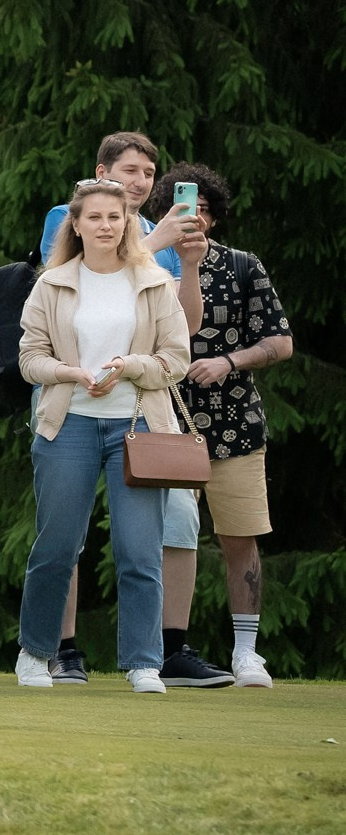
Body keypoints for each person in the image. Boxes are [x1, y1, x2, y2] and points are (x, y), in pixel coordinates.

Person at [33, 130, 206, 681]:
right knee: (59, 545)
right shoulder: (62, 242)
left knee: (142, 550)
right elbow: (34, 349)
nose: (141, 182)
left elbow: (179, 343)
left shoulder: (158, 252)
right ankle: (49, 652)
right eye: (130, 171)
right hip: (68, 415)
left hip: (139, 419)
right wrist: (71, 372)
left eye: (149, 174)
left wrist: (186, 266)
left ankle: (147, 662)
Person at [149, 165, 294, 688]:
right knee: (171, 537)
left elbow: (280, 341)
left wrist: (228, 361)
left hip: (235, 424)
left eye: (205, 210)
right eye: (185, 209)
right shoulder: (146, 265)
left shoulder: (242, 265)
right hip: (166, 422)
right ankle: (166, 650)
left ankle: (247, 653)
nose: (196, 219)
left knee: (240, 537)